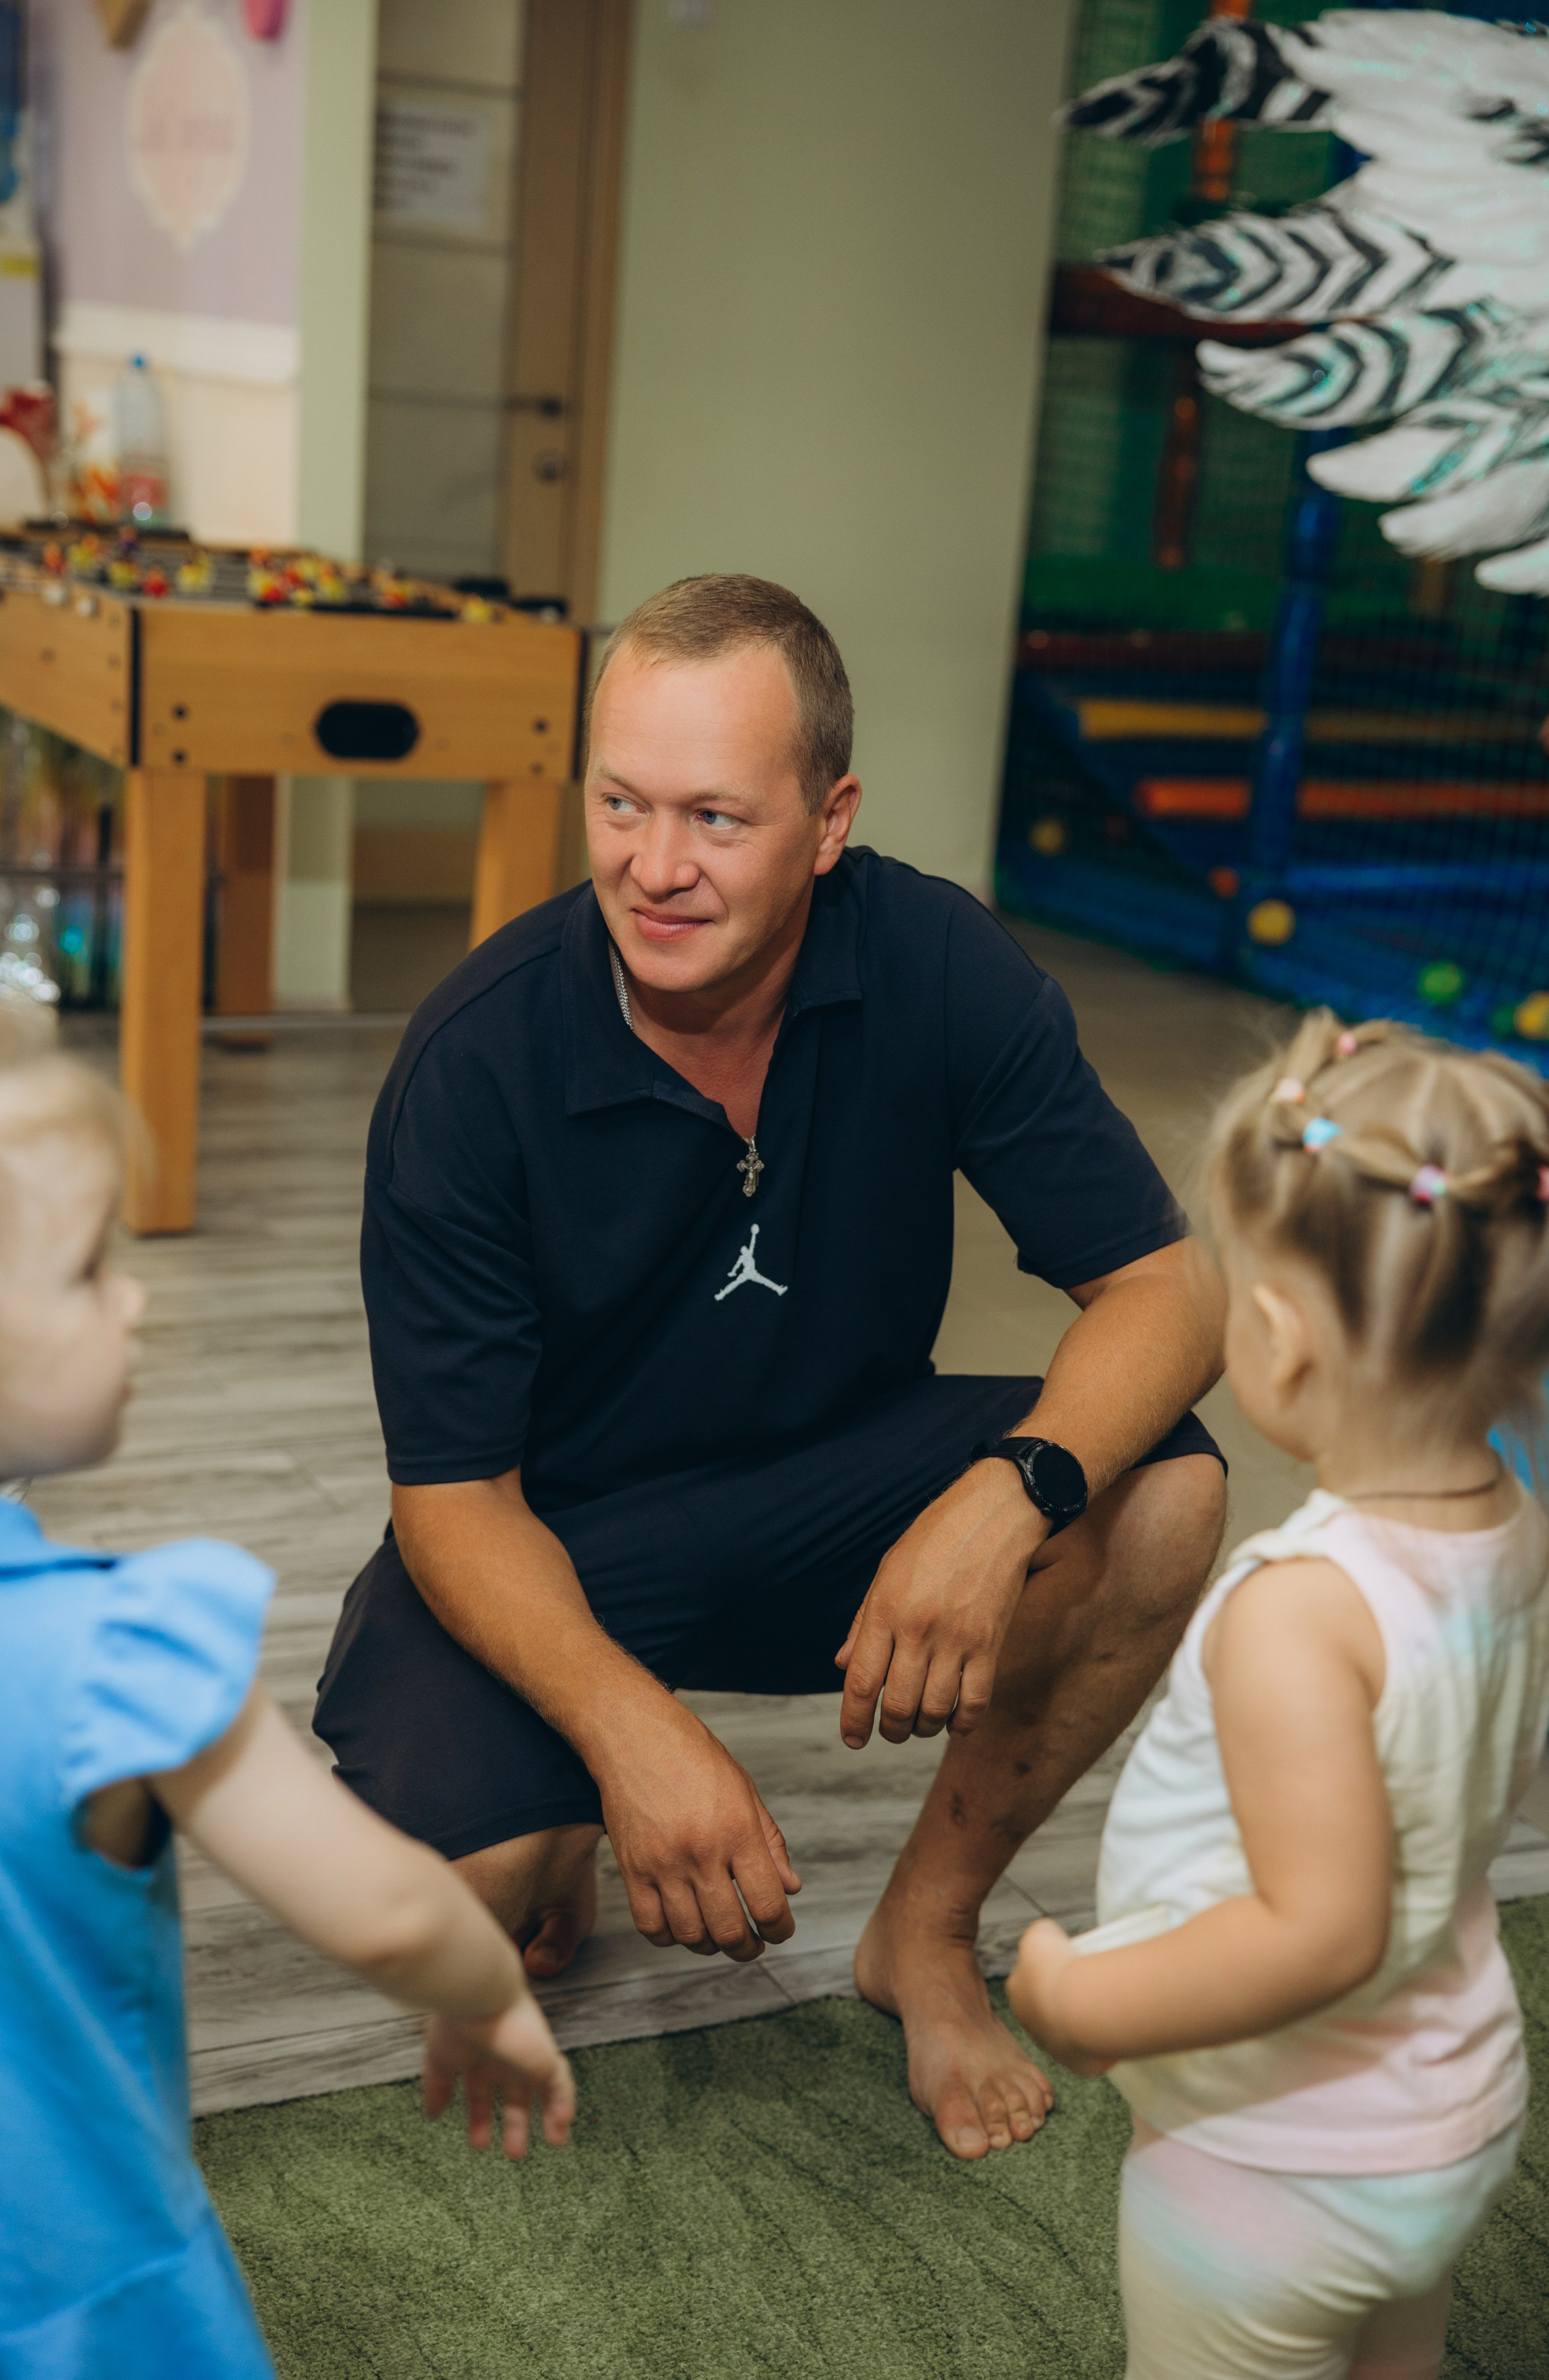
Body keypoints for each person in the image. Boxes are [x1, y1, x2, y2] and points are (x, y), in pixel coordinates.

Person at [316, 572, 1229, 2163]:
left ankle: (921, 1937)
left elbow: (1165, 1289)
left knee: (1159, 1496)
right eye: (619, 803)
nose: (653, 868)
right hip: (556, 1532)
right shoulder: (473, 1063)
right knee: (452, 1904)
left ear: (828, 821)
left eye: (716, 820)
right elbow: (453, 1499)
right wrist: (629, 1736)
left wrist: (1007, 1498)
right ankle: (559, 1810)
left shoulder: (936, 961)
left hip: (830, 1487)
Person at [1008, 1010, 1549, 2380]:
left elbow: (1319, 1932)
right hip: (1448, 2113)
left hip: (1275, 2168)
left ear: (1278, 1335)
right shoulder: (1521, 1534)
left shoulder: (1302, 1610)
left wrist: (1086, 2005)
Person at [0, 1024, 575, 2378]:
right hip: (80, 2292)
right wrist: (483, 1990)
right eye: (89, 1270)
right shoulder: (113, 1660)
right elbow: (387, 1909)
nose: (135, 1301)